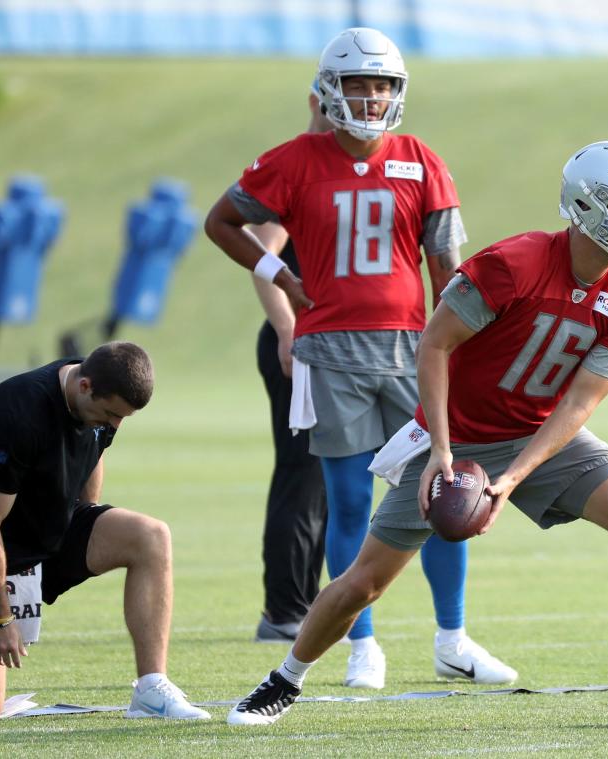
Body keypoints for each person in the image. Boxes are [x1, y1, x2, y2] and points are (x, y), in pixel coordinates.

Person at [226, 141, 608, 729]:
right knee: (365, 582)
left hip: (538, 437)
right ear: (587, 204)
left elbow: (578, 402)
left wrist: (514, 475)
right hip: (457, 434)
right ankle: (283, 681)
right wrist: (443, 450)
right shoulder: (512, 264)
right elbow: (434, 344)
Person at [206, 27, 517, 689]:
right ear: (330, 89)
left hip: (413, 350)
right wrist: (278, 274)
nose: (372, 97)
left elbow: (448, 269)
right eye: (358, 83)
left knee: (445, 492)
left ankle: (453, 638)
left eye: (382, 85)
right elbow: (221, 222)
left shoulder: (423, 160)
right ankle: (361, 645)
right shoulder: (293, 159)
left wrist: (461, 348)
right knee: (348, 504)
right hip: (331, 352)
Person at [0, 342, 211, 720]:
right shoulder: (17, 412)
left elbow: (94, 451)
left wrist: (85, 519)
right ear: (84, 386)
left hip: (48, 536)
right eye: (110, 414)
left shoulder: (100, 403)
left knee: (151, 535)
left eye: (122, 418)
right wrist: (0, 618)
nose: (114, 426)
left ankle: (151, 687)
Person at [249, 82, 331, 643]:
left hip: (327, 343)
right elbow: (260, 251)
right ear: (314, 101)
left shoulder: (342, 170)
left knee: (323, 477)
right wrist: (287, 329)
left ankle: (301, 602)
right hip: (297, 342)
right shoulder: (299, 167)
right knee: (302, 474)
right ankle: (284, 610)